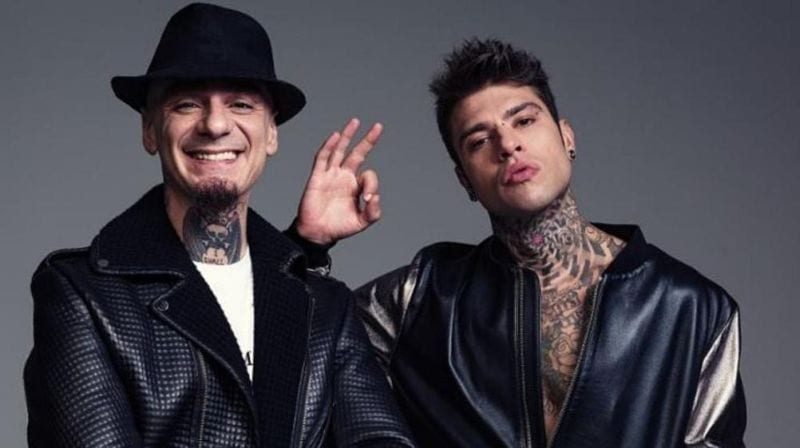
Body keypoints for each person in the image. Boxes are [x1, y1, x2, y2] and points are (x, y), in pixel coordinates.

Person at [292, 39, 746, 447]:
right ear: (464, 179)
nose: (508, 145)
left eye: (525, 121)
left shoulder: (694, 310)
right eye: (479, 140)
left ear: (566, 136)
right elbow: (283, 356)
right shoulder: (419, 298)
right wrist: (308, 244)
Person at [23, 3, 414, 447]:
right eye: (187, 104)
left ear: (271, 133)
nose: (214, 124)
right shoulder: (81, 295)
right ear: (150, 131)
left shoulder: (325, 306)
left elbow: (379, 438)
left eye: (241, 104)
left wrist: (303, 249)